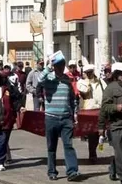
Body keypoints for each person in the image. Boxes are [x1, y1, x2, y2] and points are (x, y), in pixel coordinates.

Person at [38, 51, 80, 181]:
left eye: (62, 65)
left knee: (68, 145)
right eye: (58, 65)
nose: (60, 67)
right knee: (51, 147)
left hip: (66, 118)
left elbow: (72, 98)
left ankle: (72, 171)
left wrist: (75, 114)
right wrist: (48, 67)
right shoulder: (48, 78)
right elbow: (39, 80)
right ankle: (52, 171)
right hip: (51, 118)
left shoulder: (67, 79)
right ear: (54, 66)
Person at [77, 64, 106, 163]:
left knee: (99, 132)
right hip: (88, 111)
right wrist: (88, 81)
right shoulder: (81, 82)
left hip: (100, 110)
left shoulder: (101, 82)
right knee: (92, 134)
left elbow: (105, 93)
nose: (89, 74)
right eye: (87, 72)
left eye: (90, 72)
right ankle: (92, 153)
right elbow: (85, 90)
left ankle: (95, 149)